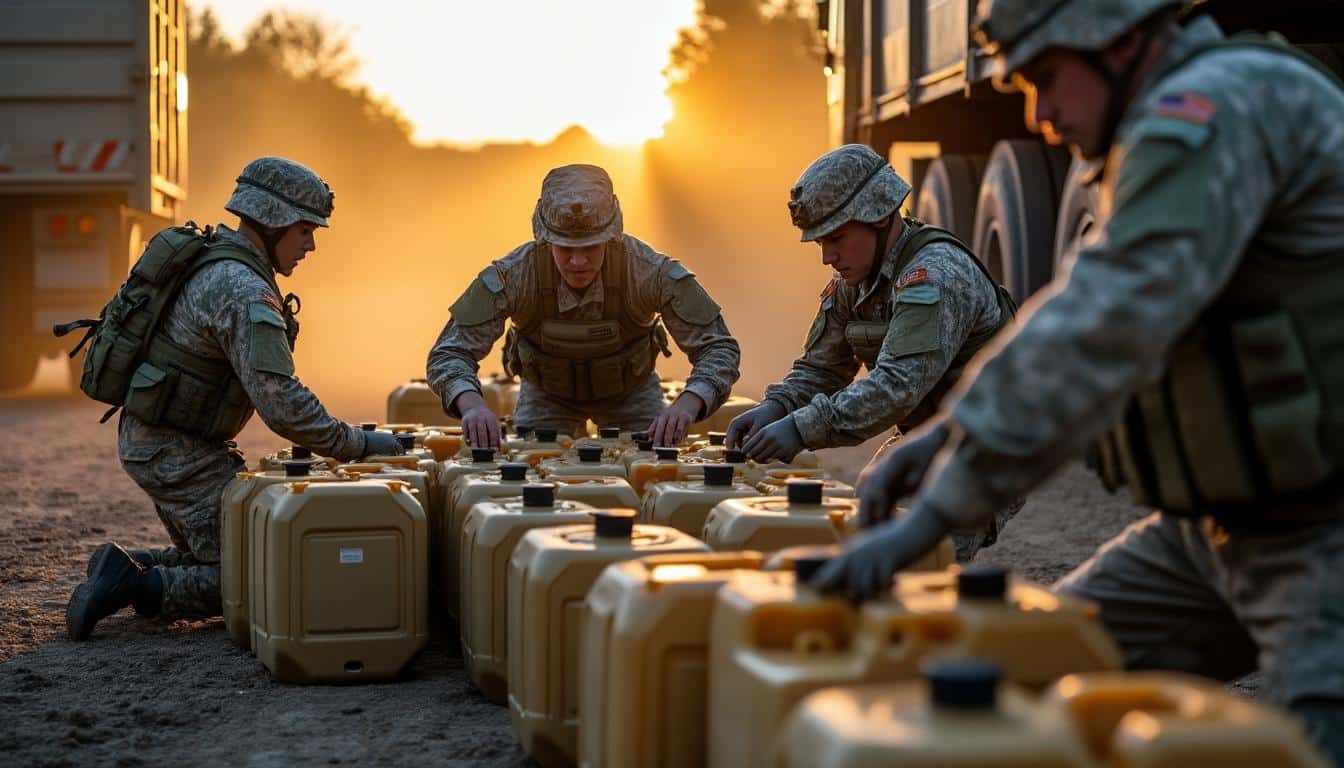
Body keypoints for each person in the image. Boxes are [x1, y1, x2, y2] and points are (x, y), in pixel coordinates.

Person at [813, 0, 1344, 761]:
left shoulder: (1214, 107)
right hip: (1218, 533)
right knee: (1017, 685)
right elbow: (1064, 303)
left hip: (1324, 538)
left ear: (1122, 42)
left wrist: (932, 517)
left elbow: (1102, 325)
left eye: (1048, 77)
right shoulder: (1161, 122)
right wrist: (942, 435)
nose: (1039, 113)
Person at [66, 157, 403, 641]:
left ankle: (129, 565)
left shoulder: (220, 257)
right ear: (271, 222)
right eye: (304, 231)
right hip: (177, 455)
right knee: (262, 577)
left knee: (222, 555)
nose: (310, 245)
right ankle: (130, 587)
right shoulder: (244, 291)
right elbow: (281, 403)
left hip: (168, 443)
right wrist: (361, 445)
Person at [727, 144, 1016, 558]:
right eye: (820, 243)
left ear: (879, 216)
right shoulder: (857, 279)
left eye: (837, 238)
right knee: (870, 501)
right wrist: (777, 408)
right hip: (929, 433)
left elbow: (897, 387)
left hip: (989, 443)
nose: (828, 257)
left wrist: (800, 428)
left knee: (917, 551)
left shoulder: (934, 275)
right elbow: (821, 368)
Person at [427, 164, 741, 447]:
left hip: (631, 395)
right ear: (544, 237)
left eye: (591, 246)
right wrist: (473, 405)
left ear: (612, 236)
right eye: (564, 248)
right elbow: (450, 352)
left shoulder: (648, 272)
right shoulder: (514, 274)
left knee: (652, 471)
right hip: (546, 397)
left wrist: (688, 403)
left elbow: (718, 348)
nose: (578, 261)